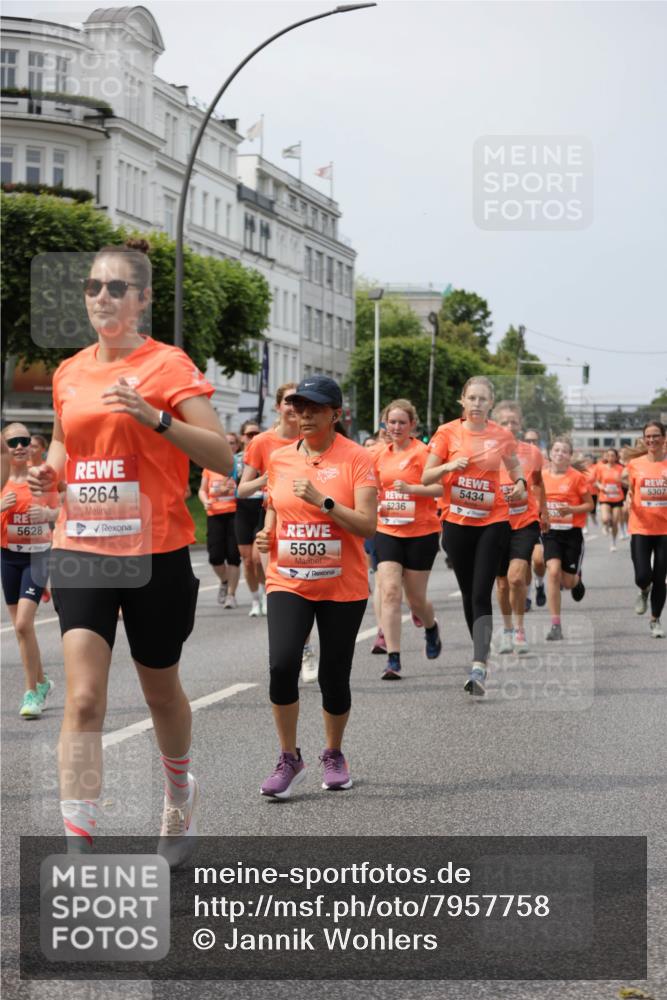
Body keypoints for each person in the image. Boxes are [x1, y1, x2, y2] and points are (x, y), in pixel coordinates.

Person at [28, 238, 233, 865]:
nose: (102, 297)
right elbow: (64, 448)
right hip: (82, 546)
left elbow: (223, 456)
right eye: (93, 287)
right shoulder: (69, 372)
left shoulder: (168, 365)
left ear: (142, 299)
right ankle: (80, 848)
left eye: (117, 288)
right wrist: (49, 476)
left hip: (157, 551)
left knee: (159, 691)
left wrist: (156, 418)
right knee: (84, 698)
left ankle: (179, 791)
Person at [255, 375, 377, 798]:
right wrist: (266, 532)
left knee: (333, 675)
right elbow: (274, 505)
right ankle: (289, 757)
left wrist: (323, 501)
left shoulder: (357, 458)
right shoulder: (280, 459)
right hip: (288, 578)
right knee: (282, 665)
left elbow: (367, 524)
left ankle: (334, 753)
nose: (303, 414)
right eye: (299, 406)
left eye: (314, 408)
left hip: (342, 584)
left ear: (335, 415)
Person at [423, 376, 526, 696]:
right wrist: (450, 465)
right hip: (456, 523)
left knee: (482, 591)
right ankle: (479, 650)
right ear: (463, 402)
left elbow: (515, 467)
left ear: (491, 404)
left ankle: (479, 663)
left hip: (492, 521)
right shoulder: (447, 433)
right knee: (468, 592)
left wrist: (520, 483)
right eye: (472, 398)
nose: (478, 404)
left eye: (483, 399)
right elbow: (426, 476)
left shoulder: (501, 435)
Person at [373, 399, 442, 679]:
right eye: (392, 422)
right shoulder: (378, 454)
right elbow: (372, 488)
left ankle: (430, 627)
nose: (397, 427)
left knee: (415, 599)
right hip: (387, 529)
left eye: (402, 422)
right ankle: (393, 658)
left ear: (412, 425)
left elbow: (440, 487)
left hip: (421, 532)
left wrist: (412, 488)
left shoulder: (424, 453)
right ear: (385, 425)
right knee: (390, 591)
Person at [1, 423, 57, 718]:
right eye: (13, 442)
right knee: (23, 631)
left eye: (25, 440)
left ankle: (32, 693)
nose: (20, 446)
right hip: (8, 557)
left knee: (23, 624)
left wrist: (48, 514)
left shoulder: (42, 477)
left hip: (38, 556)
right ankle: (43, 681)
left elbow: (65, 510)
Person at [492, 402, 548, 654]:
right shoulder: (485, 454)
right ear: (495, 425)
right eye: (504, 422)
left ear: (520, 424)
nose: (509, 426)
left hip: (524, 521)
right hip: (494, 523)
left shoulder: (532, 453)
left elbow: (537, 482)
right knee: (502, 583)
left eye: (513, 422)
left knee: (516, 577)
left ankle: (519, 629)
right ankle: (506, 629)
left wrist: (543, 510)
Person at [539, 438, 593, 640]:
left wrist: (571, 509)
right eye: (556, 450)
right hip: (550, 532)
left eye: (564, 451)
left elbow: (589, 505)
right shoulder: (541, 476)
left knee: (568, 582)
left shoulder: (577, 478)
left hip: (572, 533)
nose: (560, 454)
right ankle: (555, 625)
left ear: (570, 456)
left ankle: (577, 580)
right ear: (550, 453)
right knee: (552, 572)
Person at [624, 421, 667, 637]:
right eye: (648, 436)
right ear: (644, 439)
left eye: (656, 435)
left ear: (664, 438)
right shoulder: (635, 464)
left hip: (665, 530)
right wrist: (628, 498)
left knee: (661, 576)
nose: (652, 440)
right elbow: (631, 490)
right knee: (643, 575)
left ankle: (655, 620)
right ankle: (643, 590)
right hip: (640, 526)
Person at [199, 448, 241, 609]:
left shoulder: (236, 468)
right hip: (214, 514)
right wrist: (204, 501)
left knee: (233, 556)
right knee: (215, 557)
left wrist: (233, 489)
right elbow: (202, 490)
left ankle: (231, 595)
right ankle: (225, 581)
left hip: (234, 514)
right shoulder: (209, 468)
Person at [595, 448, 625, 551]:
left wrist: (622, 482)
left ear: (616, 457)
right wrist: (601, 487)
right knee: (605, 518)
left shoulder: (620, 468)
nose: (611, 457)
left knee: (615, 521)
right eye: (609, 455)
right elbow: (597, 482)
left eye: (613, 455)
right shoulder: (601, 468)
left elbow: (626, 482)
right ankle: (605, 525)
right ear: (606, 456)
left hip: (617, 498)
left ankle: (613, 542)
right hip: (605, 496)